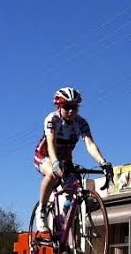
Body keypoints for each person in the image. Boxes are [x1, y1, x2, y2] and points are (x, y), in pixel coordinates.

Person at [34, 87, 114, 231]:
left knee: (73, 187)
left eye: (74, 107)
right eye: (67, 107)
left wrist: (103, 162)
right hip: (45, 155)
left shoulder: (81, 123)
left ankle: (65, 215)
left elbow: (90, 144)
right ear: (59, 106)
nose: (71, 111)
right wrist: (55, 163)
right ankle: (42, 210)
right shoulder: (52, 119)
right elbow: (51, 143)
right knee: (52, 175)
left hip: (65, 160)